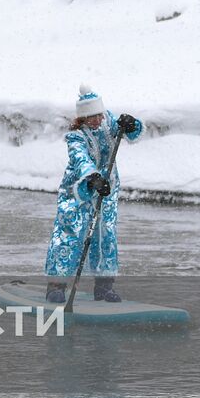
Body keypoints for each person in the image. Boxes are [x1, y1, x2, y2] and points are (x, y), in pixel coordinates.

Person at [43, 85, 143, 303]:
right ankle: (56, 286)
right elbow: (81, 160)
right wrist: (93, 178)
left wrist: (131, 124)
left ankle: (104, 287)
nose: (97, 121)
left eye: (98, 115)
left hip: (107, 191)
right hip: (77, 191)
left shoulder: (108, 121)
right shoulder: (75, 136)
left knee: (105, 235)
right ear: (82, 118)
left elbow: (129, 132)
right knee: (70, 235)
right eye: (91, 118)